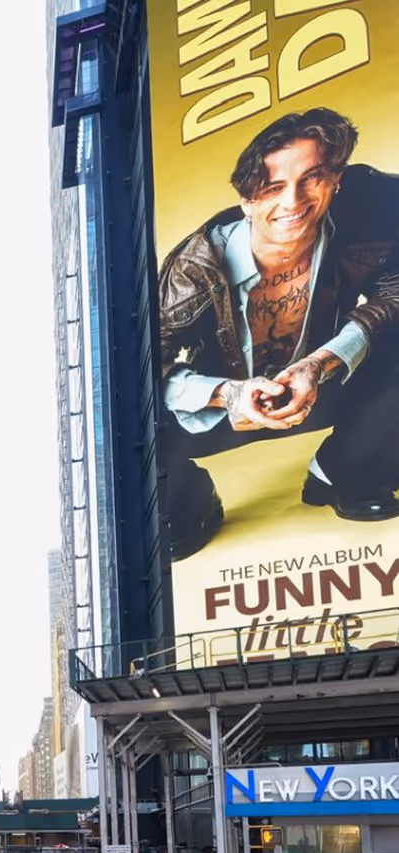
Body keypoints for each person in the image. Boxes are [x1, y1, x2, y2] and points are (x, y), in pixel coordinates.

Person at [156, 107, 399, 551]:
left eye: (312, 177)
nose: (294, 201)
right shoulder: (195, 267)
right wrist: (230, 393)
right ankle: (192, 503)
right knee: (119, 423)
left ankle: (348, 471)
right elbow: (147, 367)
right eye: (272, 188)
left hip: (325, 388)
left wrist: (319, 363)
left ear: (336, 179)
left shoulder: (366, 221)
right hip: (223, 413)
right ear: (247, 200)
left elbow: (394, 293)